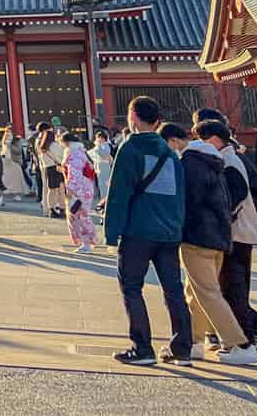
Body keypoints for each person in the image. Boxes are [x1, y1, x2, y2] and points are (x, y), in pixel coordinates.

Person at [104, 96, 191, 367]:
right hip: (168, 231)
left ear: (133, 117)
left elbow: (119, 193)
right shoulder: (170, 153)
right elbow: (180, 195)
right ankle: (183, 347)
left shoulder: (131, 149)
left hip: (139, 230)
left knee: (132, 287)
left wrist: (111, 232)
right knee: (173, 289)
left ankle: (142, 347)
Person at [171, 119, 257, 365]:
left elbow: (190, 201)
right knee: (197, 291)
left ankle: (239, 343)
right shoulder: (216, 161)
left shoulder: (190, 164)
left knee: (208, 292)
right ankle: (195, 342)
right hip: (219, 236)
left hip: (197, 236)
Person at [193, 109, 257, 353]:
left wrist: (222, 218)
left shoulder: (228, 161)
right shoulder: (229, 157)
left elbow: (237, 194)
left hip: (235, 233)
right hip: (239, 231)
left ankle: (248, 337)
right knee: (229, 287)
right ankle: (246, 333)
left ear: (214, 139)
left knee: (232, 289)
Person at [60, 132, 98, 253]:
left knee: (78, 216)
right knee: (82, 215)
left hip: (78, 190)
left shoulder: (73, 153)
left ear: (66, 142)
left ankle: (86, 243)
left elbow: (75, 174)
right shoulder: (80, 151)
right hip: (85, 187)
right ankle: (88, 241)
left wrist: (71, 189)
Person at [35, 126, 65, 217]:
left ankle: (51, 209)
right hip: (57, 168)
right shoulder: (54, 145)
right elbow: (62, 155)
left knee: (51, 190)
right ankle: (62, 208)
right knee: (61, 189)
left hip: (48, 168)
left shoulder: (42, 147)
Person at [0, 130, 28, 201]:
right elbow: (2, 152)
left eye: (10, 135)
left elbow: (18, 151)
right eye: (7, 135)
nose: (9, 137)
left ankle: (17, 195)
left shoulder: (16, 142)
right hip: (6, 163)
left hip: (15, 162)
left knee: (17, 180)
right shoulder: (4, 143)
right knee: (5, 179)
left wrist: (10, 146)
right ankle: (2, 194)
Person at [91, 129, 115, 209]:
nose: (97, 139)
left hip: (104, 167)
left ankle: (105, 203)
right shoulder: (102, 145)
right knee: (102, 186)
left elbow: (104, 154)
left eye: (98, 137)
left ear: (103, 138)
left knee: (104, 186)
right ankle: (104, 202)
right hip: (100, 167)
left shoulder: (105, 145)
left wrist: (97, 147)